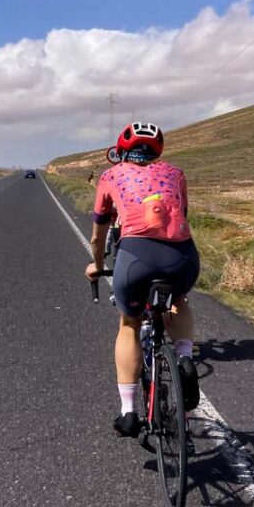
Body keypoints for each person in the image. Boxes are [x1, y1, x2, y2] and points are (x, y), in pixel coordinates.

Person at [85, 122, 201, 438]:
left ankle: (128, 412)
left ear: (121, 152)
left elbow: (100, 235)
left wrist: (96, 265)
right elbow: (182, 216)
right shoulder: (176, 173)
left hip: (137, 256)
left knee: (129, 325)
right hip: (182, 257)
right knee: (178, 300)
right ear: (157, 151)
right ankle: (186, 358)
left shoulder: (110, 176)